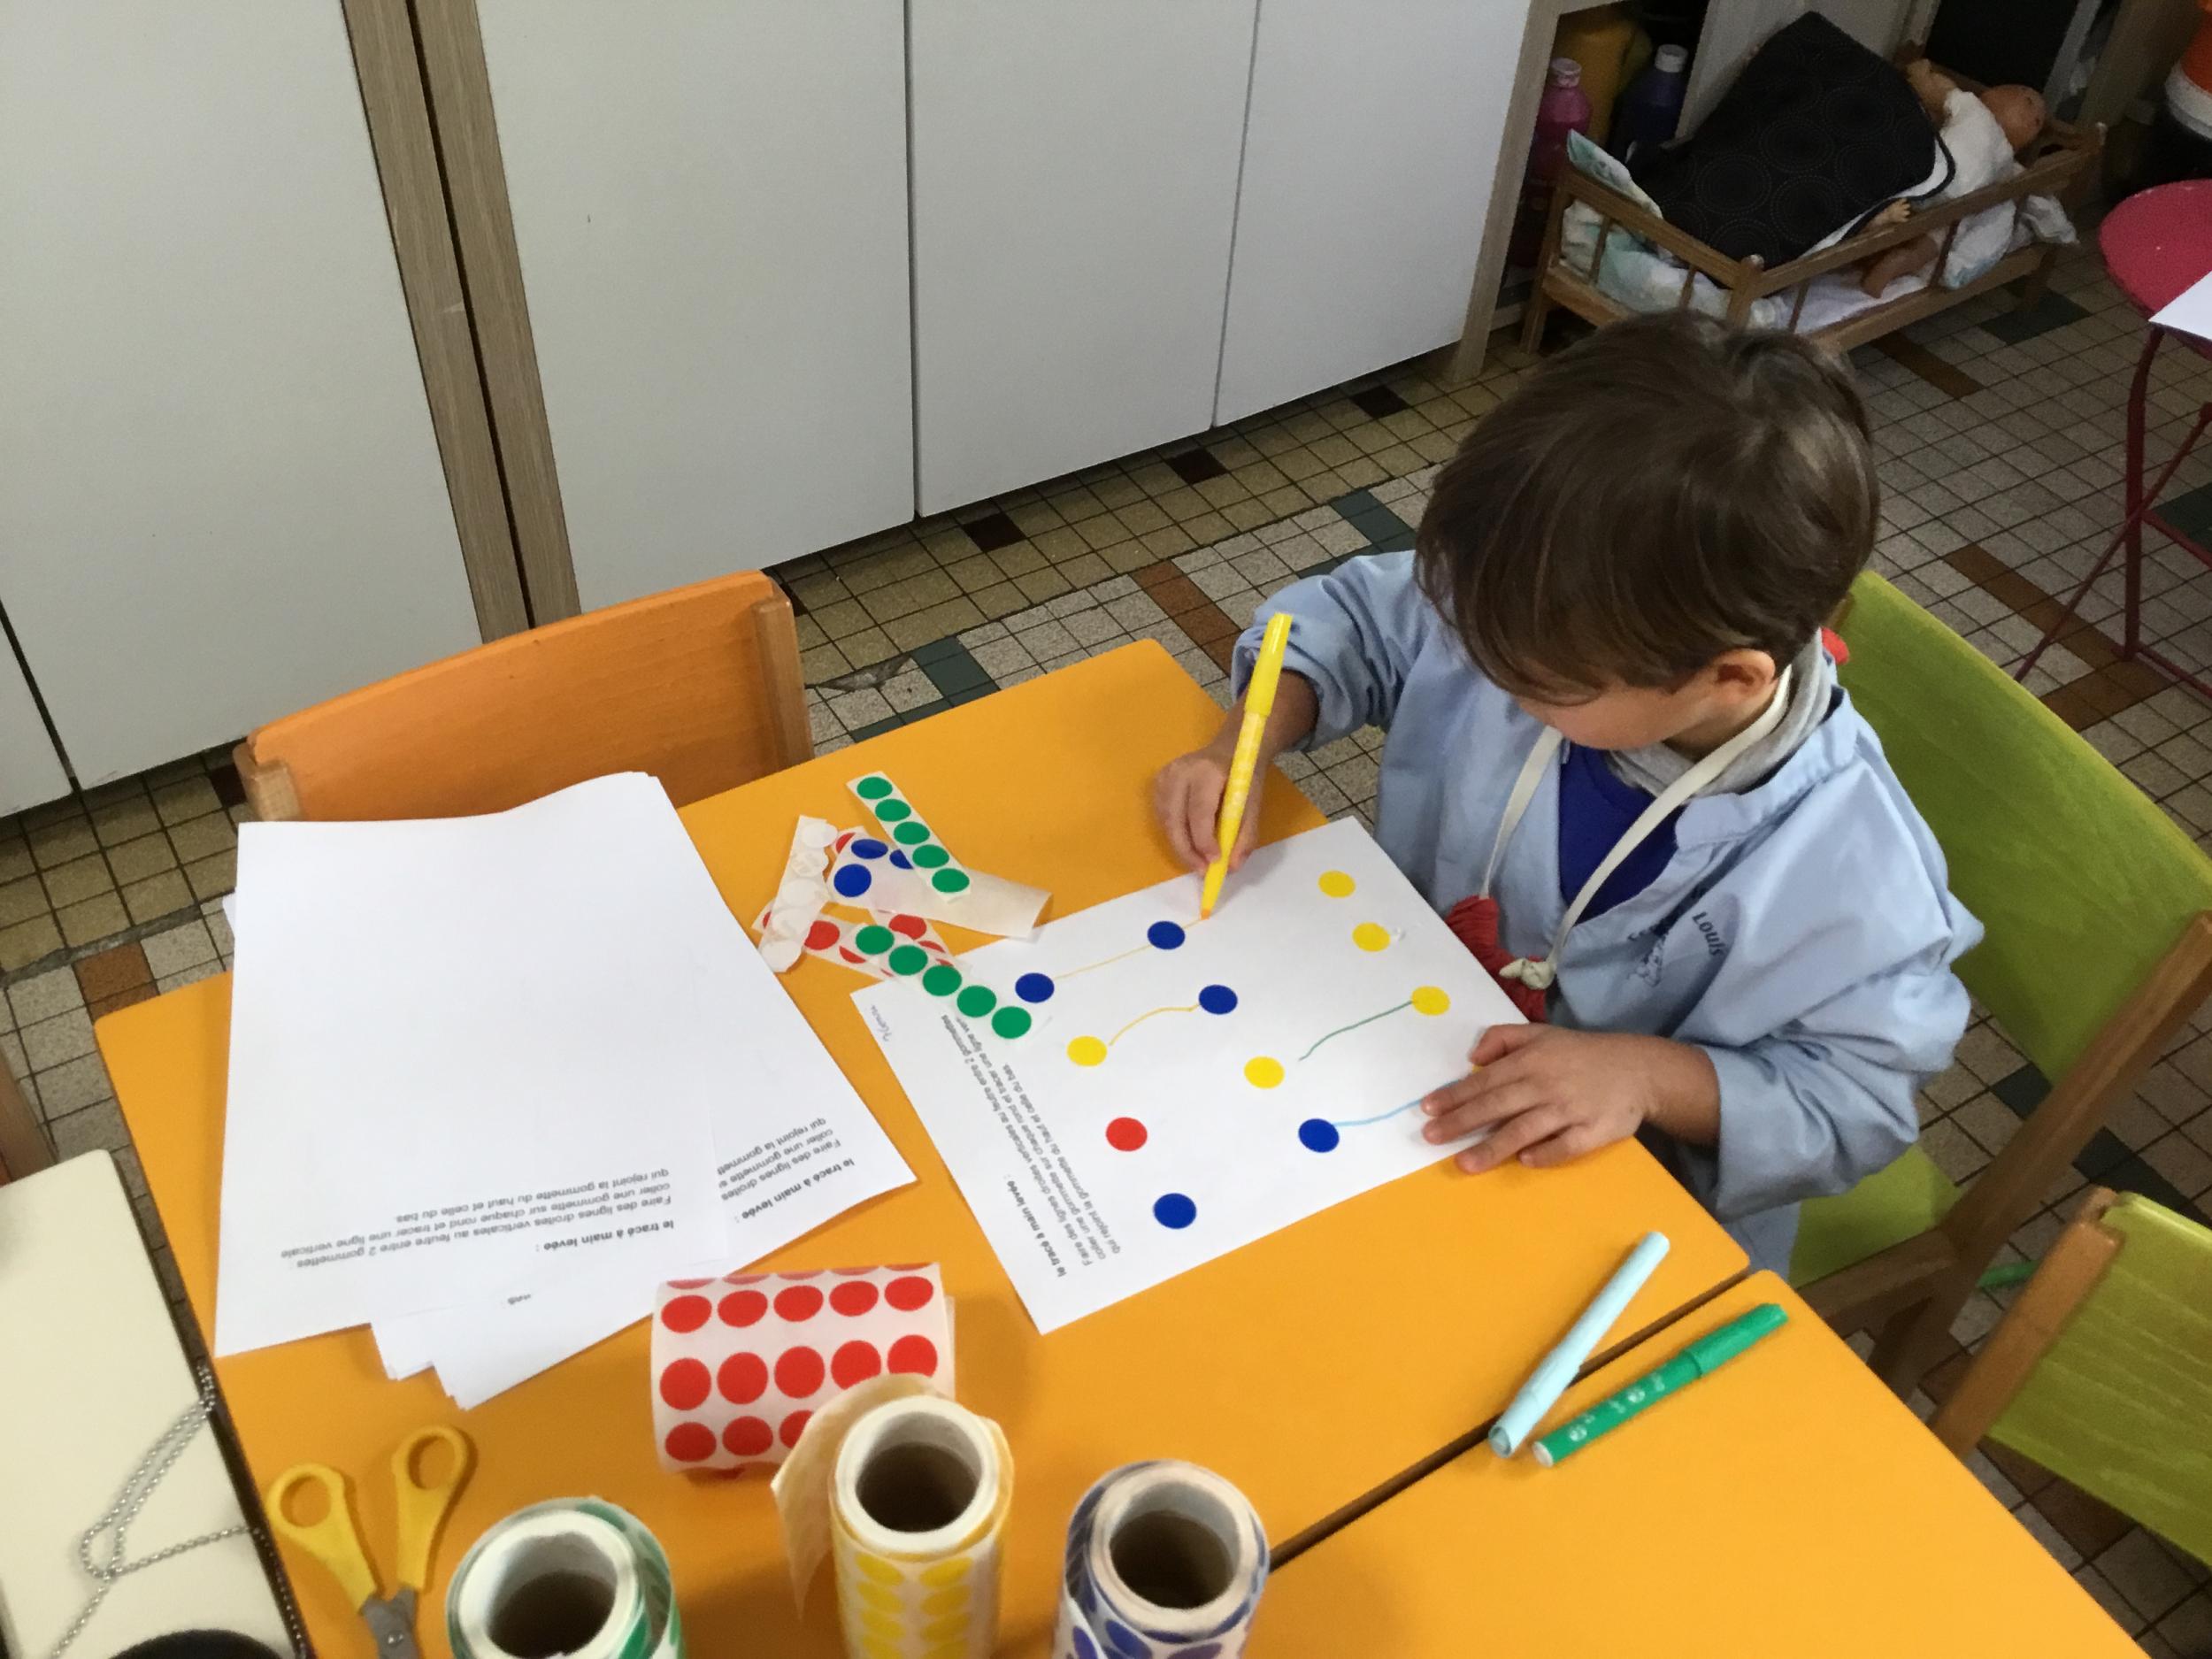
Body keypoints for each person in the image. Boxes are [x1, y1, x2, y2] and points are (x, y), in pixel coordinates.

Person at [1154, 313, 1978, 1272]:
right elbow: (1354, 623)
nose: (1485, 666)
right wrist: (1245, 742)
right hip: (1394, 1056)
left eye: (1537, 681)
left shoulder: (1859, 875)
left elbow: (1854, 1102)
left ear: (1730, 680)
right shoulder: (1535, 605)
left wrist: (1650, 1076)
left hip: (1607, 1209)